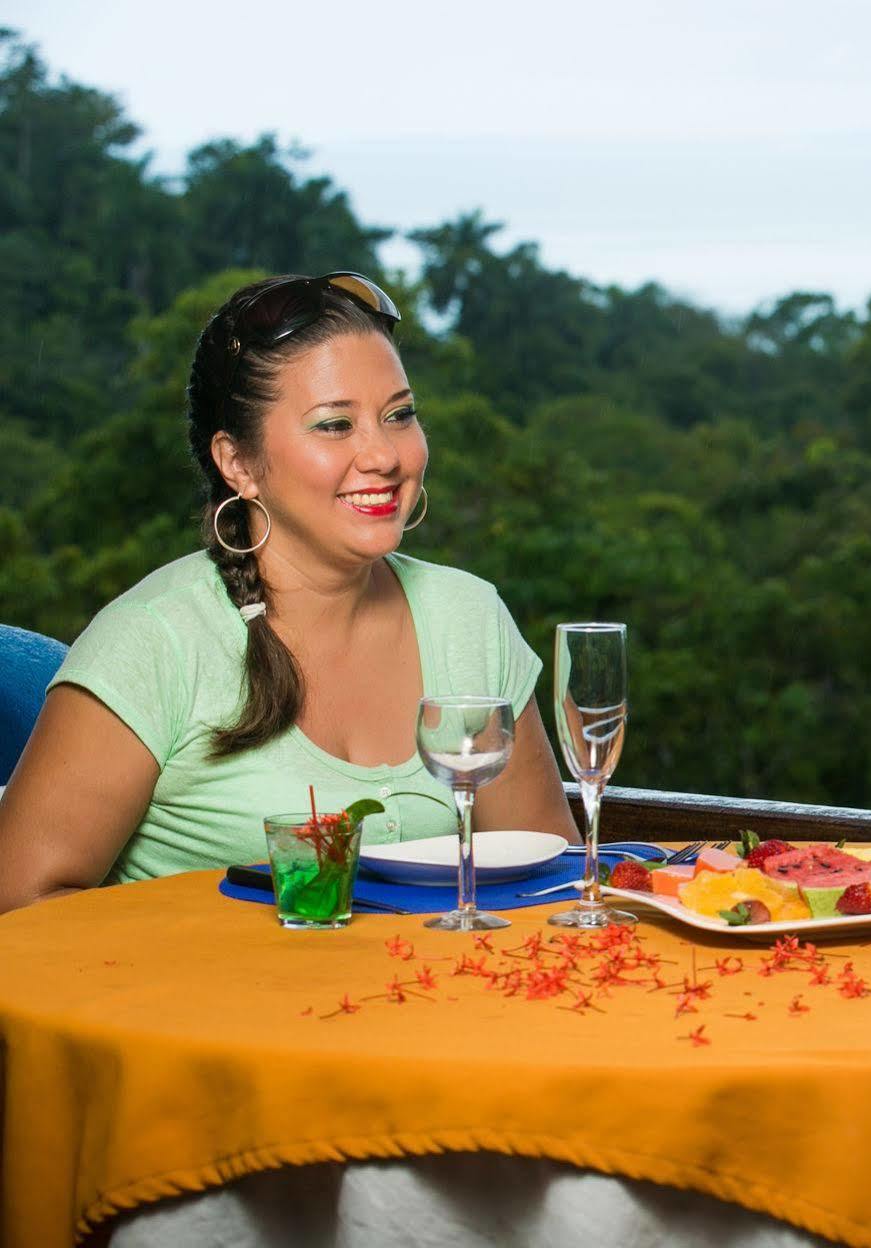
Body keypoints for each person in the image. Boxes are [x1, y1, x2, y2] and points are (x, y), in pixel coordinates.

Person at [0, 273, 575, 913]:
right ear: (237, 463)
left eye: (400, 415)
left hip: (430, 1006)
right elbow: (19, 903)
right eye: (334, 425)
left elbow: (547, 883)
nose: (383, 454)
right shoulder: (153, 637)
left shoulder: (469, 617)